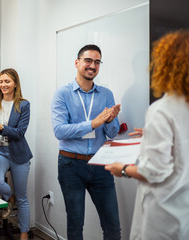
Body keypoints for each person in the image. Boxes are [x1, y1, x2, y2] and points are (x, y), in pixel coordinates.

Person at [105, 30, 189, 239]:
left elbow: (154, 171)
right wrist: (152, 133)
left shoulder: (162, 110)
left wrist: (122, 169)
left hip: (164, 213)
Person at [51, 44, 121, 239]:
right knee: (75, 225)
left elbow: (113, 132)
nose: (92, 65)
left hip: (100, 164)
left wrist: (108, 121)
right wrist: (92, 123)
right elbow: (59, 130)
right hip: (71, 164)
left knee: (113, 226)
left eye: (97, 62)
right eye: (88, 60)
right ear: (77, 63)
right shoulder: (62, 94)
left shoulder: (106, 94)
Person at [0, 68, 32, 240]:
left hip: (18, 153)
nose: (3, 85)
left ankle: (24, 234)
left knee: (23, 198)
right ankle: (10, 197)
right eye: (1, 81)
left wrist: (2, 127)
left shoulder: (24, 105)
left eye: (7, 81)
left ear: (15, 84)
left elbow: (20, 133)